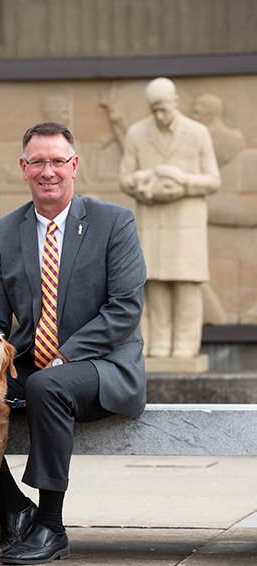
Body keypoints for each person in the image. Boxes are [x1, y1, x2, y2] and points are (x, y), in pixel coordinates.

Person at [0, 121, 147, 565]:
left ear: (74, 166)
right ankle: (14, 511)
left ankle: (51, 526)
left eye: (57, 161)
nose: (48, 171)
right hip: (33, 363)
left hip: (102, 366)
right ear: (23, 169)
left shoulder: (113, 222)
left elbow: (125, 307)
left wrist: (66, 355)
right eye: (38, 162)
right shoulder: (6, 231)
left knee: (47, 386)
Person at [120, 78, 221, 359]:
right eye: (155, 110)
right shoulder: (136, 133)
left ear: (175, 102)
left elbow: (213, 180)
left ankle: (186, 344)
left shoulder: (198, 132)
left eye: (164, 108)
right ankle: (160, 342)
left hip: (186, 223)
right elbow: (125, 178)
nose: (161, 115)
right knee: (157, 284)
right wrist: (146, 182)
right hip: (152, 221)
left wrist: (183, 181)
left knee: (186, 285)